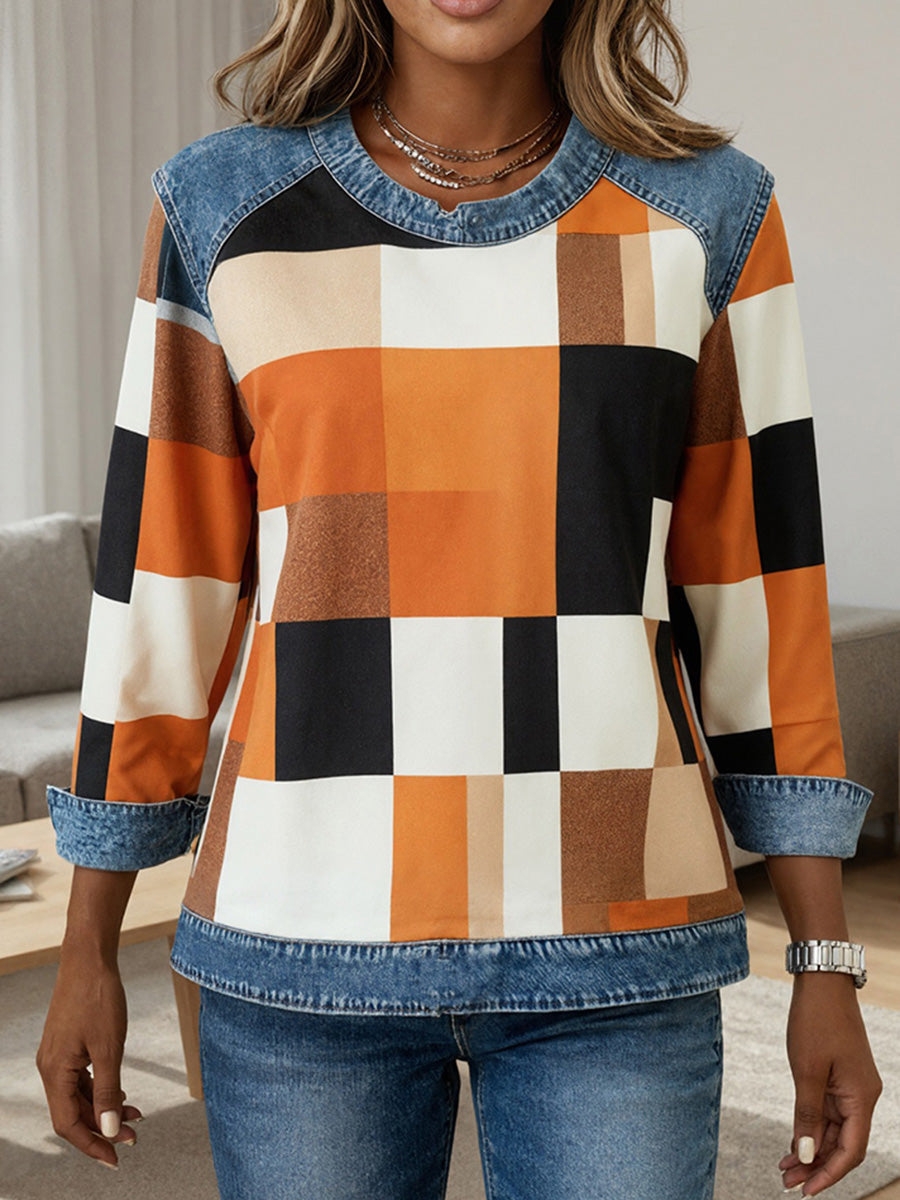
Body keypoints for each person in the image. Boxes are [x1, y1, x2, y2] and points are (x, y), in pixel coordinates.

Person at [36, 0, 883, 1196]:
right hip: (299, 950)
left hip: (619, 952)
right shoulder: (221, 207)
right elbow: (159, 600)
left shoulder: (710, 212)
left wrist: (824, 960)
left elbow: (763, 608)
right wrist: (87, 946)